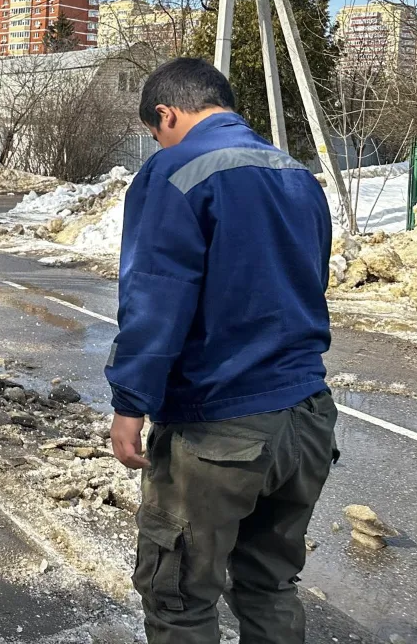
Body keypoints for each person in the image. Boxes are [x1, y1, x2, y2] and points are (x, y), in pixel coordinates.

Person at [106, 58, 339, 644]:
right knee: (269, 586)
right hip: (307, 419)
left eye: (157, 132)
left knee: (179, 597)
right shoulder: (297, 175)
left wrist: (130, 403)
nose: (160, 143)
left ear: (167, 115)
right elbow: (308, 282)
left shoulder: (174, 171)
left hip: (220, 427)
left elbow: (155, 298)